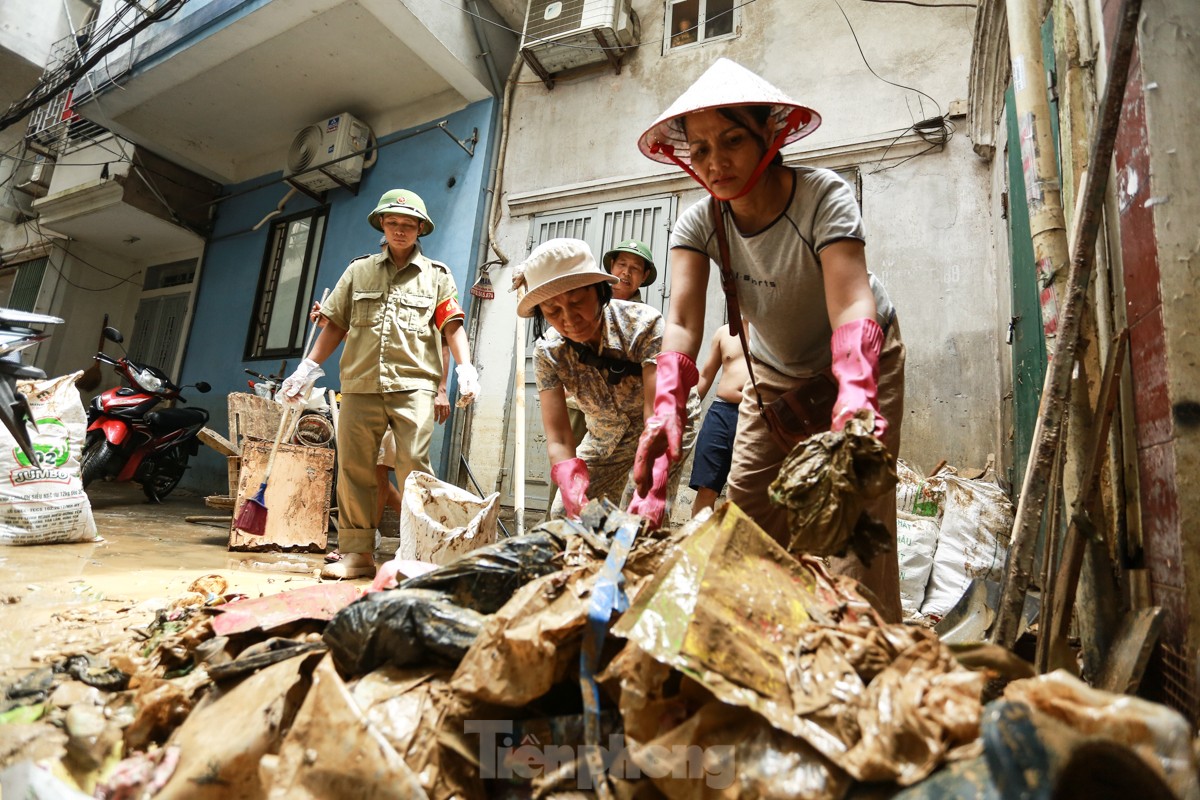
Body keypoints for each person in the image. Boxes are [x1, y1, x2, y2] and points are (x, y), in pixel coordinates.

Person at [631, 58, 906, 621]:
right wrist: (666, 411)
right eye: (700, 149)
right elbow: (682, 320)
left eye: (732, 139)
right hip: (771, 374)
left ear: (768, 135)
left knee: (857, 516)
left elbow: (853, 300)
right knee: (751, 512)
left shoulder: (822, 196)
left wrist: (855, 398)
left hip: (857, 362)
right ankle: (765, 639)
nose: (715, 162)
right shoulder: (698, 223)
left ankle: (866, 651)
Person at [280, 189, 480, 580]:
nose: (400, 230)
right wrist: (307, 368)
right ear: (382, 226)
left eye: (408, 225)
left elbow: (451, 325)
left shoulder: (437, 276)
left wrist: (465, 367)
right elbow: (335, 322)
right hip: (360, 384)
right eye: (393, 223)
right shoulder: (358, 271)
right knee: (355, 468)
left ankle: (415, 552)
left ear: (421, 229)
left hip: (415, 386)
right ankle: (356, 555)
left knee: (414, 469)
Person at [514, 238, 695, 522]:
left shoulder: (643, 324)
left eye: (576, 302)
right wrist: (570, 484)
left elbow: (656, 414)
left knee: (642, 516)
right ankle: (604, 556)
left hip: (664, 422)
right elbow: (560, 437)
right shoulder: (548, 352)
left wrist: (652, 478)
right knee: (566, 513)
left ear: (599, 291)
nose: (569, 319)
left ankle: (631, 555)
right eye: (552, 311)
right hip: (606, 432)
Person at [688, 321, 749, 516]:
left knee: (744, 492)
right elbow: (705, 376)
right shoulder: (724, 332)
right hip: (721, 413)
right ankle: (696, 544)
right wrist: (684, 413)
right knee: (707, 488)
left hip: (756, 414)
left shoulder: (773, 333)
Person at [602, 239, 658, 303]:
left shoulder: (646, 312)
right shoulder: (593, 301)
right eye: (622, 264)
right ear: (612, 266)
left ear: (645, 276)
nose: (626, 273)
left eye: (635, 268)